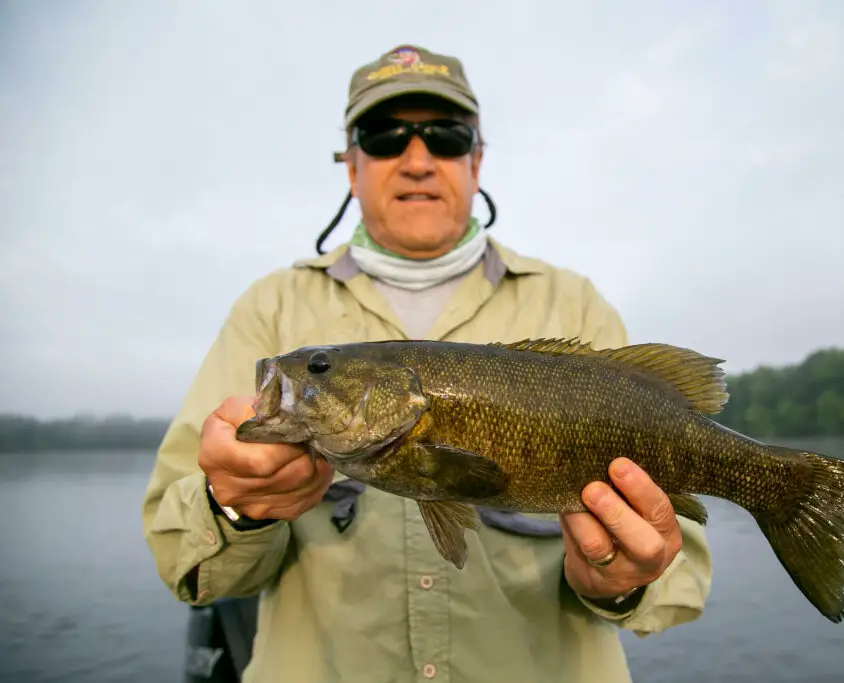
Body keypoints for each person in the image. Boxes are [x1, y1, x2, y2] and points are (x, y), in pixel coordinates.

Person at [142, 43, 712, 683]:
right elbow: (185, 567)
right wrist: (234, 507)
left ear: (476, 160)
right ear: (351, 168)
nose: (417, 160)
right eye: (384, 137)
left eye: (445, 135)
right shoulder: (271, 307)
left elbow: (681, 579)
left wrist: (622, 581)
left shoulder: (574, 304)